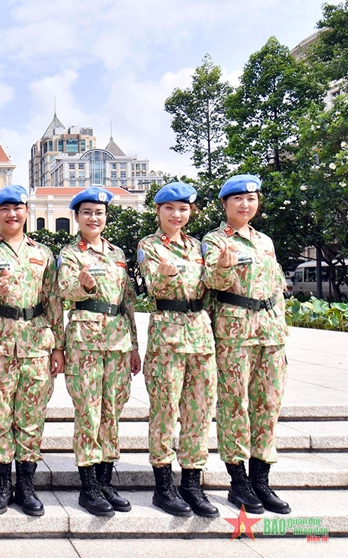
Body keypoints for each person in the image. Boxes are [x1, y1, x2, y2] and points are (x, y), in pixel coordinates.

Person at [0, 185, 64, 517]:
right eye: (5, 209)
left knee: (31, 417)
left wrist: (58, 345)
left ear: (26, 211)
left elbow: (52, 299)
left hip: (36, 342)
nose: (12, 214)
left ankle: (26, 486)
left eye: (17, 208)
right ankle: (1, 486)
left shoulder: (43, 253)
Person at [202, 174, 291, 515]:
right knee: (234, 405)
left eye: (251, 199)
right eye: (238, 199)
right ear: (225, 204)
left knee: (268, 405)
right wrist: (225, 268)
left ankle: (261, 480)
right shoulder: (215, 240)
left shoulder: (265, 241)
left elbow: (276, 287)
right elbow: (210, 282)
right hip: (235, 333)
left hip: (270, 333)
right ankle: (238, 481)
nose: (245, 204)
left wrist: (281, 327)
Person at [57, 186, 141, 517]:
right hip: (85, 341)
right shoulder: (70, 253)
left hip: (118, 341)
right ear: (77, 217)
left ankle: (106, 481)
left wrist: (134, 346)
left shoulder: (117, 253)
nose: (94, 218)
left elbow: (127, 301)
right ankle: (89, 486)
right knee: (89, 412)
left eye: (99, 213)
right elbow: (63, 289)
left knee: (112, 411)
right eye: (87, 213)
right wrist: (84, 285)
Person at [137, 182, 218, 518]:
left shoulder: (199, 247)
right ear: (158, 211)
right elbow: (153, 284)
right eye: (169, 208)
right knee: (165, 411)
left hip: (200, 336)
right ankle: (163, 486)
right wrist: (167, 276)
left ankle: (192, 483)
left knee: (199, 411)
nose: (176, 214)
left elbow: (212, 286)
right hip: (167, 337)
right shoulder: (149, 245)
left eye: (183, 209)